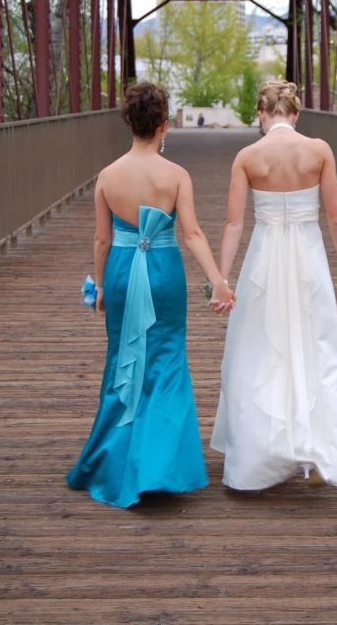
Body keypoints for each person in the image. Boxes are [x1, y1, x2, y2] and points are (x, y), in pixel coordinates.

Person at [67, 81, 235, 508]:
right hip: (163, 273)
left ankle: (112, 460)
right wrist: (217, 279)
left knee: (123, 358)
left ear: (129, 123)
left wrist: (102, 286)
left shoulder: (107, 176)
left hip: (122, 272)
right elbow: (192, 233)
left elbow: (102, 241)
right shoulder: (176, 175)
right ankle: (158, 467)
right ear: (164, 125)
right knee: (166, 359)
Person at [210, 79, 337, 490]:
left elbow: (234, 222)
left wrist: (222, 278)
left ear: (261, 113)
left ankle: (261, 453)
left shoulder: (248, 156)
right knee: (316, 347)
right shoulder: (319, 150)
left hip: (265, 260)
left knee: (260, 349)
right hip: (308, 259)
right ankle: (315, 448)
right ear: (295, 113)